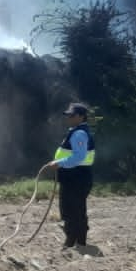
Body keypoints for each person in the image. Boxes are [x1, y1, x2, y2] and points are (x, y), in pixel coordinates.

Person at [39, 102, 95, 249]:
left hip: (76, 176)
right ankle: (79, 241)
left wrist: (60, 162)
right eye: (68, 115)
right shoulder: (76, 131)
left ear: (81, 117)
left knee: (72, 210)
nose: (68, 118)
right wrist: (60, 162)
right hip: (75, 176)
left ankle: (72, 242)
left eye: (72, 115)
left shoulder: (79, 133)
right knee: (75, 209)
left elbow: (79, 156)